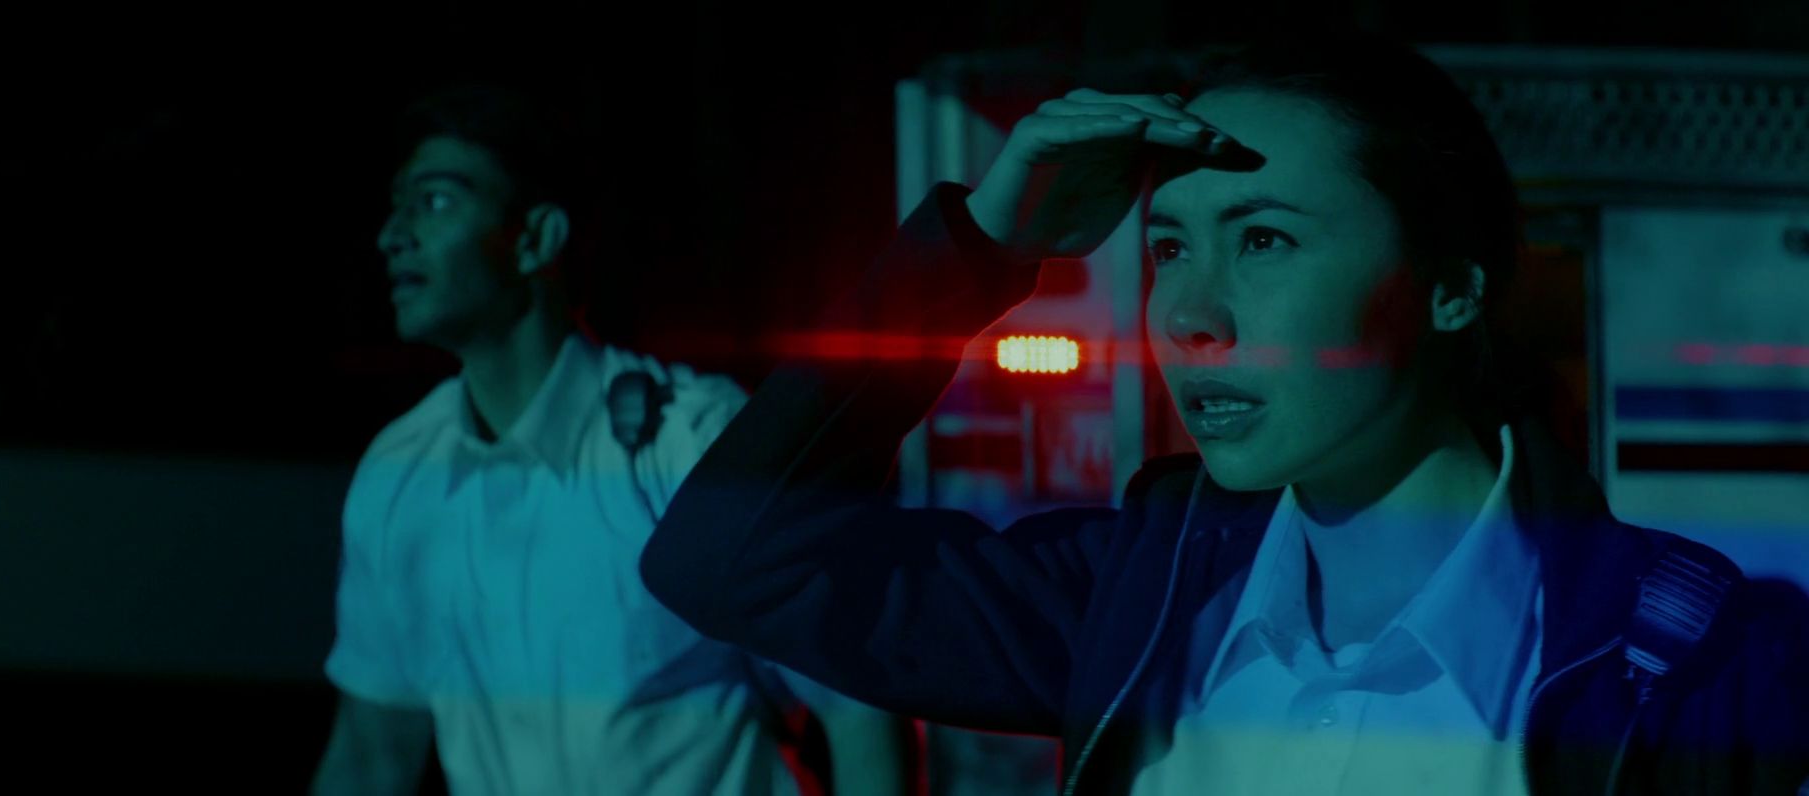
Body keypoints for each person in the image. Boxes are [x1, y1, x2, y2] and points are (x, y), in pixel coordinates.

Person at [640, 32, 1809, 796]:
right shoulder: (1133, 603)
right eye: (1166, 248)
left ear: (1450, 289)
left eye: (1263, 240)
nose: (1189, 313)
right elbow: (726, 557)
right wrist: (983, 247)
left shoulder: (1707, 674)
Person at [310, 84, 913, 796]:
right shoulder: (401, 474)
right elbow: (372, 757)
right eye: (398, 205)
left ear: (536, 239)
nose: (393, 235)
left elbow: (860, 705)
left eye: (436, 201)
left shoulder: (690, 439)